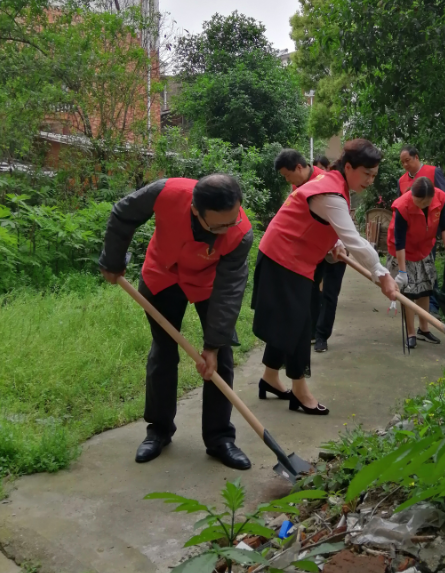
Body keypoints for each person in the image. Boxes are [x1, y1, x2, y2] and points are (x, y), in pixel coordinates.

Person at [98, 175, 253, 470]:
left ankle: (220, 438)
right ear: (196, 210)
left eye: (232, 221)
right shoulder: (166, 192)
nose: (226, 230)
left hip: (208, 283)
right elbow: (123, 213)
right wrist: (112, 261)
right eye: (218, 226)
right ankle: (158, 430)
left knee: (221, 357)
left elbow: (230, 290)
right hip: (163, 274)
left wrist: (213, 345)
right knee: (163, 351)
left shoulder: (241, 233)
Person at [254, 139, 399, 415]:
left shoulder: (331, 182)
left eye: (374, 175)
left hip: (290, 258)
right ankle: (299, 391)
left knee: (290, 320)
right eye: (367, 174)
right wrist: (382, 274)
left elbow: (327, 224)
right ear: (349, 167)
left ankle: (270, 378)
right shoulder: (331, 191)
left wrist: (335, 243)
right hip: (283, 258)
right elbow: (354, 238)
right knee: (299, 325)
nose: (370, 180)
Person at [275, 149, 346, 353]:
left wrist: (338, 242)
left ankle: (322, 336)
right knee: (312, 290)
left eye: (287, 175)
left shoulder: (326, 183)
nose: (288, 180)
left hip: (336, 246)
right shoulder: (297, 185)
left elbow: (340, 218)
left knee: (329, 293)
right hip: (314, 248)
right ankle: (312, 332)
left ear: (299, 167)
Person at [387, 177, 445, 349]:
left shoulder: (440, 198)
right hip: (403, 252)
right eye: (418, 201)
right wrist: (402, 272)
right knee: (408, 292)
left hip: (424, 248)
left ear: (432, 197)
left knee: (425, 289)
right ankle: (411, 333)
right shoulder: (402, 206)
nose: (421, 205)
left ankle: (424, 329)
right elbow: (399, 242)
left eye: (425, 202)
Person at [399, 145, 445, 318]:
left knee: (428, 268)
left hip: (430, 230)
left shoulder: (433, 172)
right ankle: (413, 303)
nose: (405, 165)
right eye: (402, 162)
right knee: (412, 270)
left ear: (416, 157)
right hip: (409, 234)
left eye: (408, 160)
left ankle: (432, 305)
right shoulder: (402, 181)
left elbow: (444, 202)